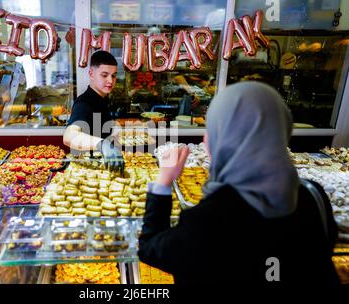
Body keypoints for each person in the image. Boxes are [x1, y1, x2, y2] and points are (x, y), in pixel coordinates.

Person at [138, 81, 340, 285]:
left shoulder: (208, 219)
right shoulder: (313, 197)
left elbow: (150, 249)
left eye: (212, 129)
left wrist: (163, 181)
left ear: (217, 141)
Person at [63, 50, 124, 173]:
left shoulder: (102, 98)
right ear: (91, 74)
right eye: (104, 75)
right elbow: (69, 136)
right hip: (87, 171)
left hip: (102, 167)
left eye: (113, 75)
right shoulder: (84, 103)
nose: (110, 81)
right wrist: (102, 144)